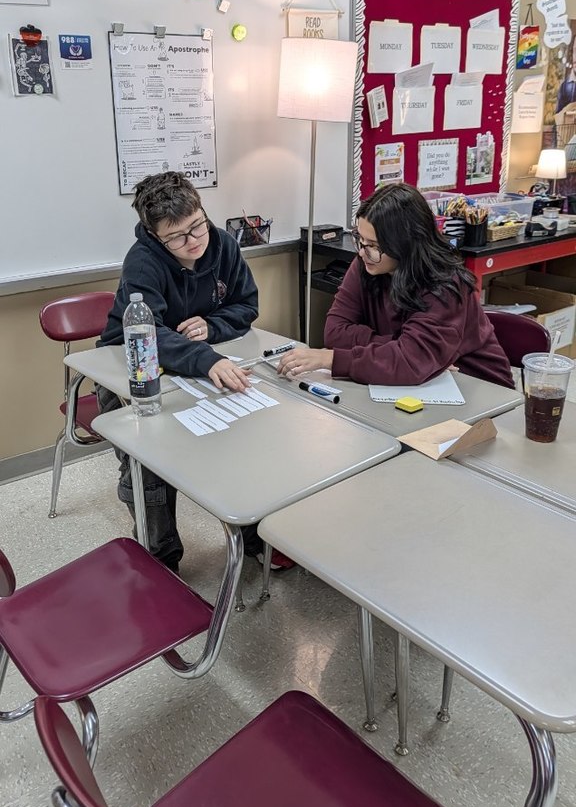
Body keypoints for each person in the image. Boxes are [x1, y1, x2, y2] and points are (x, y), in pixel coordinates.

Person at [98, 170, 259, 574]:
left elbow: (246, 306)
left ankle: (255, 538)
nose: (194, 241)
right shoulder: (143, 261)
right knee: (150, 462)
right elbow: (146, 334)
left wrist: (213, 326)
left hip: (195, 368)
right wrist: (207, 358)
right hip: (130, 369)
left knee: (245, 439)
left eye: (198, 225)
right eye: (178, 237)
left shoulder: (221, 243)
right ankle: (160, 559)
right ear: (155, 236)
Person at [277, 183, 515, 389]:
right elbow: (335, 332)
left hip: (477, 387)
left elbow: (409, 362)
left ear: (406, 245)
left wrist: (331, 359)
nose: (362, 252)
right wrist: (400, 348)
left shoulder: (444, 284)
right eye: (360, 239)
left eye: (374, 245)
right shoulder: (366, 264)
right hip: (422, 380)